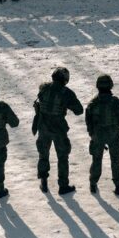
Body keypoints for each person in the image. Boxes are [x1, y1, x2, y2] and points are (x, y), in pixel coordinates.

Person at [33, 67, 83, 195]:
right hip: (58, 129)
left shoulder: (43, 88)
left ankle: (43, 181)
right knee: (62, 156)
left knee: (43, 154)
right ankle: (63, 185)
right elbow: (79, 110)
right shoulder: (67, 93)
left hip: (43, 126)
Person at [85, 74, 119, 195]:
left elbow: (88, 123)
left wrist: (93, 134)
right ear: (110, 85)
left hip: (97, 136)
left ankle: (93, 183)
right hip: (114, 136)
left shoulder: (92, 103)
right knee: (115, 161)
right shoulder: (115, 102)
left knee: (96, 160)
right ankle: (118, 185)